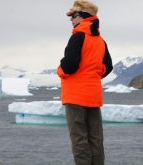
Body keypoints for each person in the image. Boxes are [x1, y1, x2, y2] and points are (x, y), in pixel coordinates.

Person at [57, 0, 113, 165]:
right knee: (95, 138)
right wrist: (92, 75)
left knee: (79, 138)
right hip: (93, 96)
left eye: (73, 16)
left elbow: (69, 65)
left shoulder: (78, 37)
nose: (71, 20)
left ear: (83, 17)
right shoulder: (100, 41)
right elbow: (108, 66)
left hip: (75, 96)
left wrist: (60, 71)